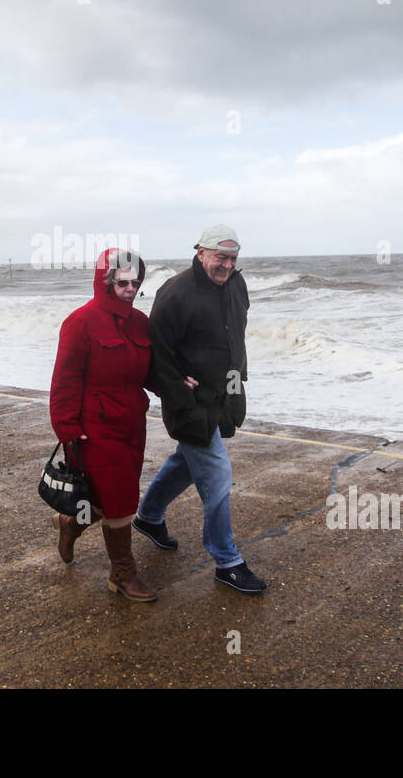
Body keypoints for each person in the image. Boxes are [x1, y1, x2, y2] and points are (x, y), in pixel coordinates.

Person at [133, 224, 267, 594]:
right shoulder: (175, 292)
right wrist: (176, 385)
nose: (226, 265)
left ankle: (148, 516)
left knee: (187, 462)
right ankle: (227, 560)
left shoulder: (236, 285)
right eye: (220, 257)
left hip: (224, 394)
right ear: (200, 252)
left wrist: (238, 383)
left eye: (233, 258)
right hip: (188, 402)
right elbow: (156, 350)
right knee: (218, 475)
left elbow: (234, 336)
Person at [49, 247, 156, 602]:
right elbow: (64, 380)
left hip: (132, 422)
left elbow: (150, 371)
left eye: (135, 282)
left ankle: (70, 525)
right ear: (106, 281)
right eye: (122, 282)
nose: (129, 288)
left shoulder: (141, 323)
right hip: (94, 427)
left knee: (102, 499)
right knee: (121, 498)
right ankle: (122, 574)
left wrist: (181, 382)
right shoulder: (80, 322)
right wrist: (66, 428)